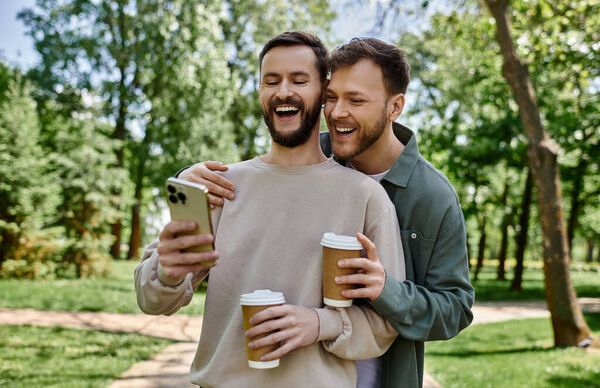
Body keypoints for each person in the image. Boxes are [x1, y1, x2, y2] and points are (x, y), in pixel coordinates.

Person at [181, 37, 475, 388]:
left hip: (382, 375)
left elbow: (456, 308)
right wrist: (189, 184)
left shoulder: (432, 196)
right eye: (332, 97)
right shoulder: (313, 156)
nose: (336, 113)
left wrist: (388, 290)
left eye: (356, 100)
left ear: (395, 107)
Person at [135, 31, 405, 388]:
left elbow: (386, 323)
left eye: (299, 80)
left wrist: (318, 323)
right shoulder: (220, 186)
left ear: (322, 94)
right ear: (261, 92)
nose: (283, 92)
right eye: (271, 80)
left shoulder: (365, 197)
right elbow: (152, 300)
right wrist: (167, 272)